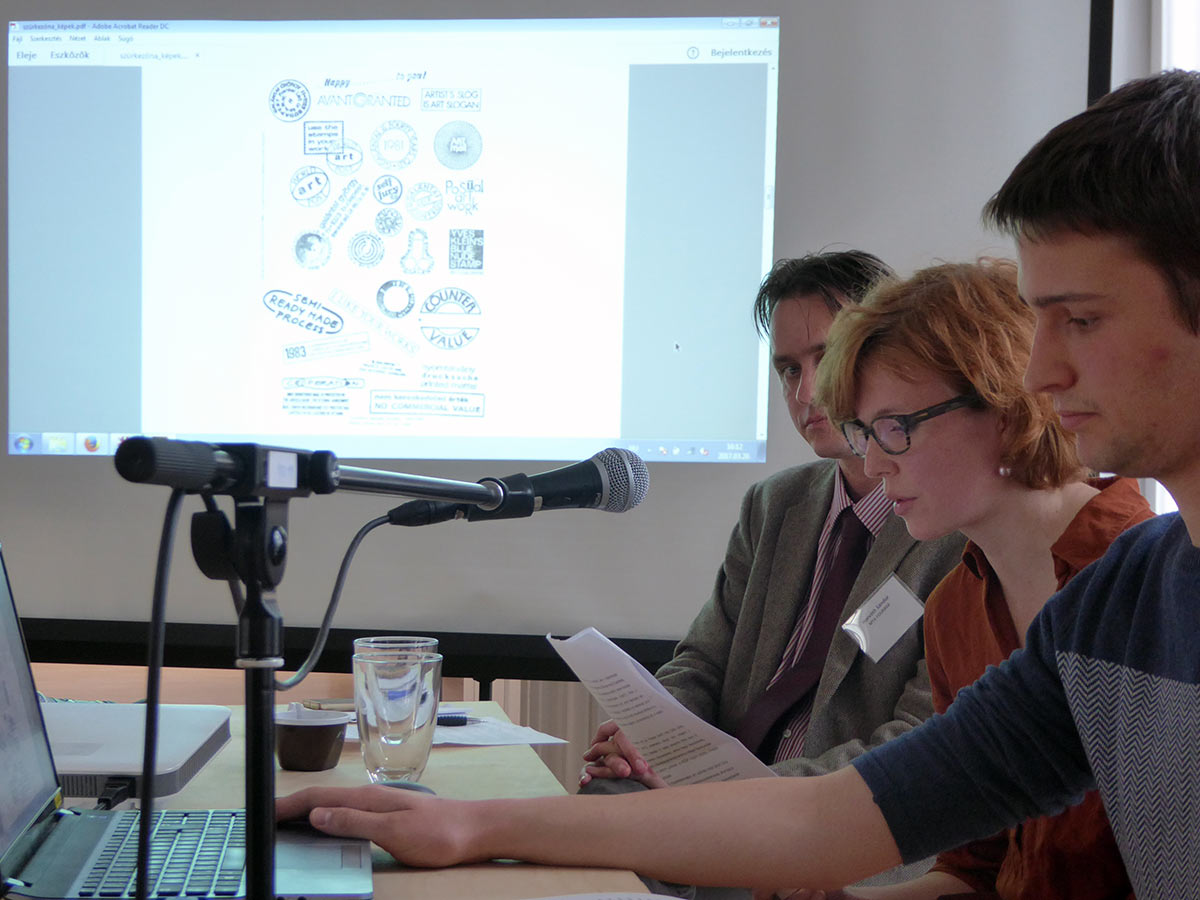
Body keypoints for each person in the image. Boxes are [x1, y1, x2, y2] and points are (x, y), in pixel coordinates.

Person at [276, 69, 1200, 896]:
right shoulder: (1118, 607)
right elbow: (847, 821)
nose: (1040, 375)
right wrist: (478, 824)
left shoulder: (1101, 576)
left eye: (1080, 320)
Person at [788, 257, 1153, 900]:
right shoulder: (953, 607)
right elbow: (975, 870)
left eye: (896, 428)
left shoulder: (1144, 581)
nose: (873, 462)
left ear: (1007, 410)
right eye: (863, 432)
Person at [581, 252, 964, 801]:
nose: (806, 392)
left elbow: (920, 742)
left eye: (826, 357)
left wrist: (741, 794)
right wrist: (649, 738)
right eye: (789, 370)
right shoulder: (774, 504)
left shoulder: (955, 532)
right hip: (711, 806)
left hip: (832, 827)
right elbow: (701, 663)